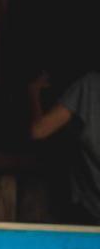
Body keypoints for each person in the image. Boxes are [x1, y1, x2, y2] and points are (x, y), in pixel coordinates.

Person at [27, 70, 100, 224]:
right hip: (90, 210)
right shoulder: (90, 85)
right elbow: (39, 131)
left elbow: (38, 130)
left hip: (89, 211)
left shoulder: (90, 84)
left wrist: (33, 91)